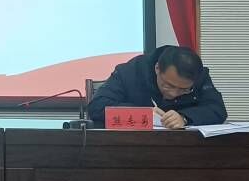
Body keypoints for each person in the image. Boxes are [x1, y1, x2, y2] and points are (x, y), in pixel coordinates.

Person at [86, 45, 227, 129]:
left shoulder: (198, 75)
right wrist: (143, 114)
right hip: (132, 148)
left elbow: (217, 109)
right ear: (157, 68)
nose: (173, 94)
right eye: (168, 85)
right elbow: (97, 107)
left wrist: (184, 118)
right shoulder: (131, 71)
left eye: (184, 90)